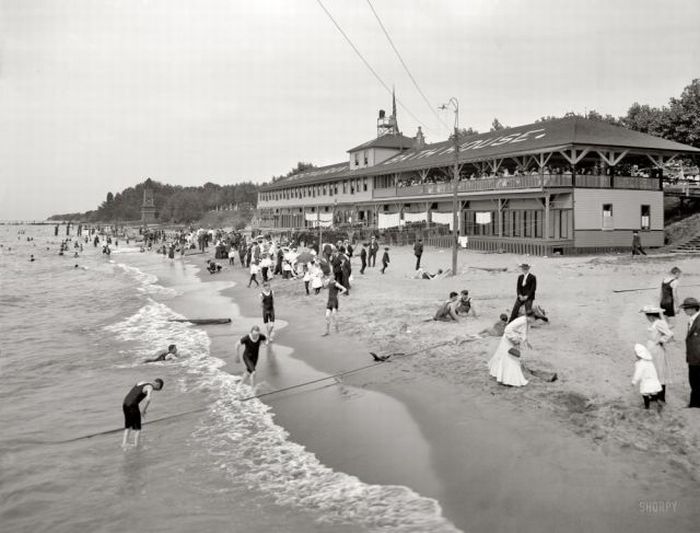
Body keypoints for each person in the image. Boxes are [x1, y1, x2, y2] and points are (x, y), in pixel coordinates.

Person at [488, 311, 536, 387]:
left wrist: (526, 341)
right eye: (534, 319)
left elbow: (523, 332)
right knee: (510, 360)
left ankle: (501, 376)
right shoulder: (521, 321)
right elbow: (507, 329)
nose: (534, 321)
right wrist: (515, 339)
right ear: (531, 317)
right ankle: (509, 380)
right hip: (508, 341)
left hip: (510, 341)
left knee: (505, 359)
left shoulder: (526, 321)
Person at [641, 305, 674, 402]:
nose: (647, 318)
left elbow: (669, 334)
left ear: (651, 316)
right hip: (651, 349)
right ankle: (655, 395)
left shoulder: (659, 323)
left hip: (657, 350)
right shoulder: (654, 323)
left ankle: (661, 396)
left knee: (659, 371)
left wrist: (661, 340)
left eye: (647, 316)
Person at [121, 378, 164, 449]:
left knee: (128, 426)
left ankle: (124, 444)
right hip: (133, 405)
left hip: (125, 403)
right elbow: (148, 399)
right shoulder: (150, 387)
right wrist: (144, 410)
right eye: (158, 388)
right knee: (138, 428)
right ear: (157, 384)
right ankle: (136, 446)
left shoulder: (142, 382)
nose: (156, 390)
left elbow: (135, 391)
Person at [680, 297, 700, 408]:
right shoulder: (692, 319)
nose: (684, 310)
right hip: (693, 357)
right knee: (693, 380)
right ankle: (695, 403)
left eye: (686, 308)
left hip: (698, 357)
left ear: (693, 308)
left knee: (696, 381)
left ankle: (695, 404)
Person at [631, 344, 662, 411]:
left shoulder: (641, 363)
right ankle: (657, 401)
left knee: (645, 394)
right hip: (653, 380)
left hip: (646, 381)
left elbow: (638, 373)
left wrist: (634, 381)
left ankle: (647, 407)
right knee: (654, 392)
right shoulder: (649, 362)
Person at [236, 326, 268, 390]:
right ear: (251, 332)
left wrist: (265, 343)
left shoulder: (260, 336)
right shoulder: (246, 338)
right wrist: (237, 355)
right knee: (253, 372)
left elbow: (265, 338)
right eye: (254, 334)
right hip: (247, 356)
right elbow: (237, 344)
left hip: (255, 357)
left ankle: (240, 384)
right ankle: (252, 390)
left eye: (257, 334)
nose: (255, 336)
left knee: (248, 372)